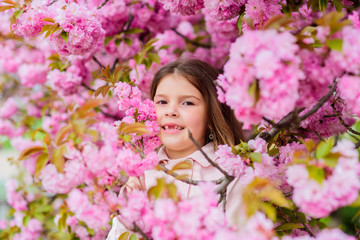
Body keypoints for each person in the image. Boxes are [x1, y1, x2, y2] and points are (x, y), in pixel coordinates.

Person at [107, 59, 243, 239]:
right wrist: (130, 204)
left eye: (187, 103)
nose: (171, 111)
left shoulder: (231, 175)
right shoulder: (144, 178)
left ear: (211, 115)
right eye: (162, 102)